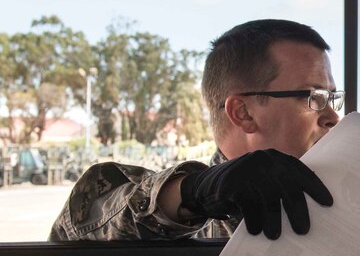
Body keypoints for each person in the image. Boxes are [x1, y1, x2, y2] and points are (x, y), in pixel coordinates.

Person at [50, 19, 341, 241]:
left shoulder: (344, 204)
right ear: (243, 113)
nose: (332, 116)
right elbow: (86, 223)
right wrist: (193, 194)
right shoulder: (193, 220)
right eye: (312, 96)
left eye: (332, 97)